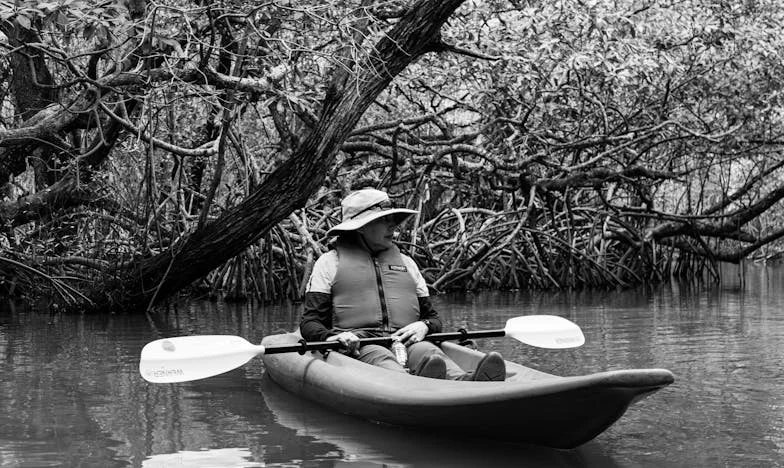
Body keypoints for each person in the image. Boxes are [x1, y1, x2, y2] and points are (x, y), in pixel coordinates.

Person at [299, 188, 505, 381]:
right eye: (384, 220)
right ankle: (412, 384)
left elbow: (433, 318)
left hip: (408, 342)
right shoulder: (329, 263)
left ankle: (467, 380)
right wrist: (332, 337)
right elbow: (310, 323)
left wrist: (423, 326)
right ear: (361, 227)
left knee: (431, 353)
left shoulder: (407, 263)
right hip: (362, 346)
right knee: (381, 358)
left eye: (392, 220)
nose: (393, 226)